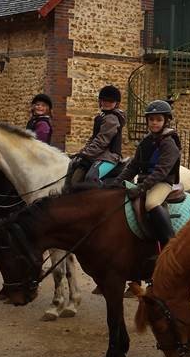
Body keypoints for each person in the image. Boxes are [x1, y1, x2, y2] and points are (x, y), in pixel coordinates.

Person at [116, 100, 181, 247]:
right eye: (151, 119)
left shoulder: (169, 143)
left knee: (151, 203)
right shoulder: (145, 141)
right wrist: (117, 182)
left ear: (165, 121)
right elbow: (133, 166)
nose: (154, 123)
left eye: (158, 119)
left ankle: (169, 243)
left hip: (162, 183)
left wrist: (140, 188)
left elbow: (161, 172)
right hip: (144, 182)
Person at [74, 85, 125, 185]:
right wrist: (82, 152)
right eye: (104, 100)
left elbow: (102, 141)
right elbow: (94, 138)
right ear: (100, 101)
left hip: (109, 157)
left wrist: (85, 154)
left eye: (110, 101)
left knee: (91, 178)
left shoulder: (112, 119)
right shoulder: (101, 116)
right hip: (98, 155)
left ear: (116, 103)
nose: (106, 103)